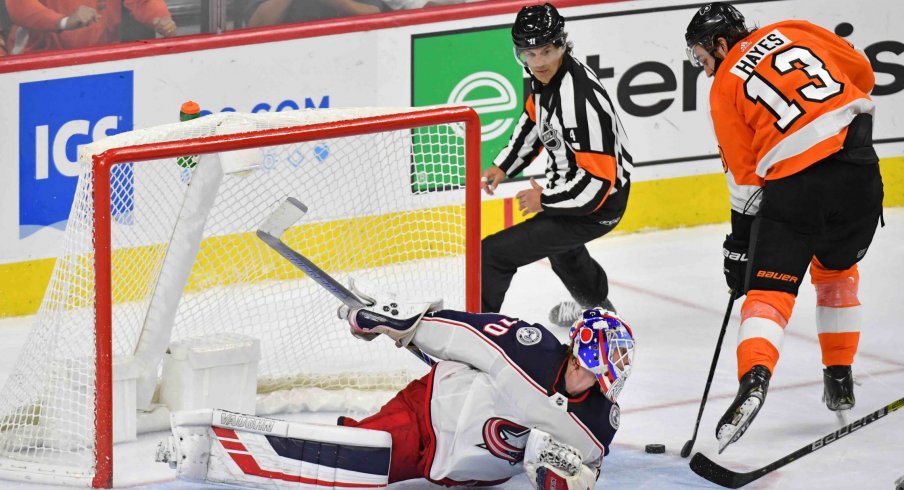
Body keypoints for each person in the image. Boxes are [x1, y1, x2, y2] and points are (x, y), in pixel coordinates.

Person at [160, 282, 636, 489]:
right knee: (359, 460)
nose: (584, 372)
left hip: (466, 472)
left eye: (596, 369)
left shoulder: (597, 424)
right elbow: (460, 331)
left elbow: (583, 470)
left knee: (369, 461)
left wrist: (570, 478)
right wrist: (398, 325)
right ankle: (207, 449)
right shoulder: (527, 348)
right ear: (574, 348)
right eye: (584, 359)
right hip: (427, 414)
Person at [684, 3, 883, 452]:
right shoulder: (792, 28)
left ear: (720, 42)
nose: (704, 67)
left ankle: (754, 379)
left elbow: (746, 182)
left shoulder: (723, 89)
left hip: (796, 188)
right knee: (836, 274)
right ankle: (839, 377)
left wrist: (739, 248)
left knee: (768, 294)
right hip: (861, 170)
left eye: (703, 57)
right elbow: (864, 75)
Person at [481, 3, 632, 329]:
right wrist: (504, 164)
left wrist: (545, 200)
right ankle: (601, 312)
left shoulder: (579, 100)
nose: (539, 62)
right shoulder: (552, 76)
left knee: (492, 255)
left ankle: (478, 333)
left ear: (561, 45)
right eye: (529, 54)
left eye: (546, 51)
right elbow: (535, 121)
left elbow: (597, 185)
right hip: (576, 192)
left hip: (597, 204)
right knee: (562, 249)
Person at [5, 0, 176, 55]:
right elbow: (19, 6)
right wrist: (64, 21)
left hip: (101, 59)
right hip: (38, 64)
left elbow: (143, 2)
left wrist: (160, 18)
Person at [244, 0, 388, 27]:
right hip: (285, 54)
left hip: (346, 51)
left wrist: (340, 2)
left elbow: (374, 13)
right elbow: (255, 26)